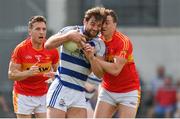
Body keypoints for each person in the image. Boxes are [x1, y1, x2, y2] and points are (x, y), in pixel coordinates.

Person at [44, 7, 106, 118]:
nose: (95, 28)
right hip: (62, 87)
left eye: (99, 25)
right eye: (92, 24)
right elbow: (48, 44)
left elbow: (99, 74)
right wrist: (68, 36)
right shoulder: (71, 30)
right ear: (85, 21)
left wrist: (91, 58)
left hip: (79, 92)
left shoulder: (100, 44)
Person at [86, 9, 141, 118]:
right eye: (102, 23)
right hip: (107, 90)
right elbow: (99, 72)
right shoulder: (98, 41)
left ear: (115, 24)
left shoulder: (123, 41)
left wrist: (94, 58)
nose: (104, 26)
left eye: (107, 23)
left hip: (128, 91)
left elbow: (116, 70)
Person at [8, 16, 59, 118]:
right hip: (23, 95)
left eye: (44, 29)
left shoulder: (52, 49)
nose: (41, 32)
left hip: (43, 94)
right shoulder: (20, 49)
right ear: (30, 31)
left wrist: (54, 76)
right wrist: (28, 73)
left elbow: (58, 71)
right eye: (37, 29)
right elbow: (11, 75)